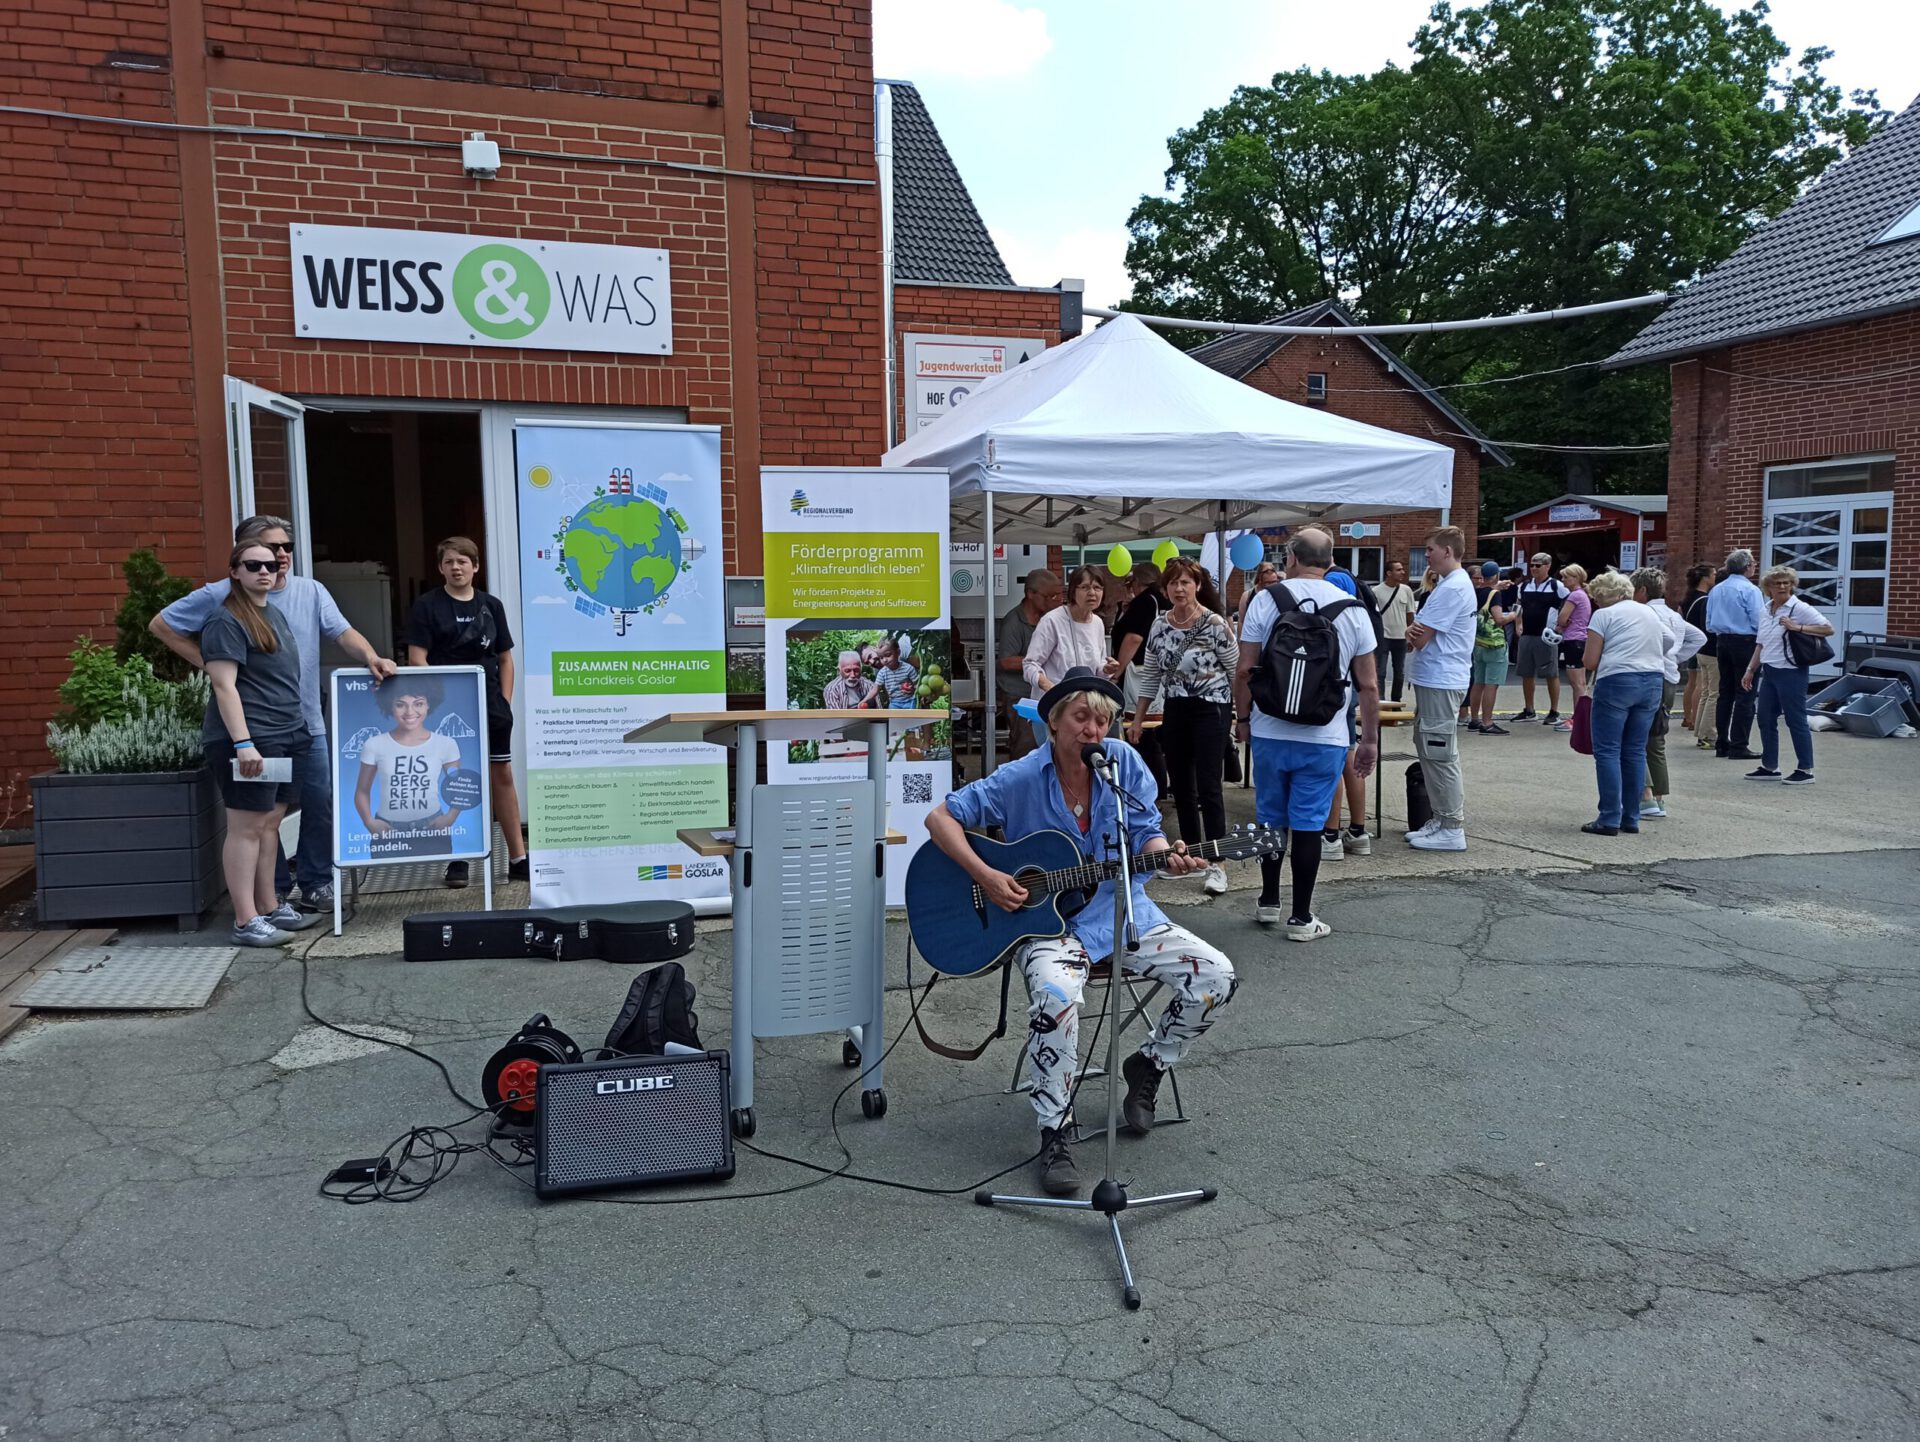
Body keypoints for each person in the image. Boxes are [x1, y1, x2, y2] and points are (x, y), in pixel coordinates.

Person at [925, 669, 1235, 1197]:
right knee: (1057, 994)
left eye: (1103, 719)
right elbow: (940, 819)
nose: (1094, 729)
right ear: (1054, 721)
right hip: (1047, 928)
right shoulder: (1021, 776)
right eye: (1081, 717)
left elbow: (1148, 835)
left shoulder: (1125, 764)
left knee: (1216, 975)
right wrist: (988, 876)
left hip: (1122, 913)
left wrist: (1169, 858)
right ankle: (1053, 1130)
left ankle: (1150, 1064)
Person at [152, 515, 396, 913]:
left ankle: (311, 884)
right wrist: (214, 664)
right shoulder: (225, 600)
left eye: (284, 550)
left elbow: (341, 632)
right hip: (254, 729)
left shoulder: (299, 596)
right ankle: (267, 901)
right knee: (256, 820)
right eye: (264, 555)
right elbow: (163, 625)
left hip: (301, 725)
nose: (276, 559)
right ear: (240, 562)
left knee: (310, 803)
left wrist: (371, 656)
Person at [1233, 526, 1380, 937]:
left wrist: (1243, 720)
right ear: (1330, 561)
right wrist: (1368, 739)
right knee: (1309, 825)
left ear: (1291, 558)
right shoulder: (1352, 608)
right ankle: (1301, 917)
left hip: (1269, 729)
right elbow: (1368, 684)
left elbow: (1245, 669)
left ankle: (1267, 901)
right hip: (1326, 734)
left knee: (1270, 819)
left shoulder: (1266, 600)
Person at [199, 542, 324, 946]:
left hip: (289, 733)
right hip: (254, 740)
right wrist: (244, 743)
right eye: (253, 565)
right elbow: (223, 684)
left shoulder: (274, 613)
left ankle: (269, 907)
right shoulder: (225, 619)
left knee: (270, 824)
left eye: (272, 565)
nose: (265, 571)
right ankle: (244, 920)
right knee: (247, 827)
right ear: (235, 571)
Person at [405, 536, 528, 889]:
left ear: (476, 566)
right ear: (440, 568)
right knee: (455, 780)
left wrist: (504, 702)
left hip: (490, 706)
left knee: (501, 775)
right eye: (449, 562)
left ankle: (518, 857)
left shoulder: (491, 605)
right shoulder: (427, 606)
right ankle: (458, 858)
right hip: (447, 708)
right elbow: (417, 658)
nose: (456, 567)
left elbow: (505, 659)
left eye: (463, 561)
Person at [1126, 558, 1236, 895]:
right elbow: (1151, 676)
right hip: (1175, 708)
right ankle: (1191, 856)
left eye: (1186, 582)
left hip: (1211, 708)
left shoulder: (1215, 623)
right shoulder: (1159, 625)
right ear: (1165, 589)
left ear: (1198, 585)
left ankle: (1217, 863)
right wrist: (1139, 719)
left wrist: (1240, 716)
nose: (1179, 589)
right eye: (1173, 583)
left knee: (1208, 786)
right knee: (1182, 787)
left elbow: (1234, 671)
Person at [1578, 570, 1674, 836]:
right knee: (1635, 750)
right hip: (1652, 680)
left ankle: (1609, 816)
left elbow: (1590, 661)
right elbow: (1670, 640)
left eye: (1596, 596)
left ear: (1605, 595)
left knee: (1607, 751)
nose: (1595, 601)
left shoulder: (1603, 615)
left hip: (1617, 680)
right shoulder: (1648, 612)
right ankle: (1631, 816)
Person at [1403, 526, 1475, 851]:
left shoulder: (1453, 588)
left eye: (1430, 549)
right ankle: (1442, 818)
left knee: (1440, 753)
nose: (1426, 554)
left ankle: (1451, 825)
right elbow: (1417, 632)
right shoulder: (1449, 585)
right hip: (1436, 678)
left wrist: (1413, 632)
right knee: (1432, 750)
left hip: (1441, 678)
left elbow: (1419, 636)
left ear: (1447, 551)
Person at [1741, 565, 1835, 785]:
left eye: (1787, 582)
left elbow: (1828, 628)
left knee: (1796, 720)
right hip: (1770, 671)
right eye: (1777, 583)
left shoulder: (1799, 607)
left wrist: (1798, 627)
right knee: (1765, 718)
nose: (1782, 586)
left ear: (1792, 585)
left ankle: (1805, 769)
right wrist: (1750, 670)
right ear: (1768, 587)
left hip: (1792, 672)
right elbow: (1761, 643)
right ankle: (1770, 766)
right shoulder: (1766, 609)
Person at [354, 674, 463, 855]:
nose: (410, 712)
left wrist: (450, 817)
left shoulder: (446, 744)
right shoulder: (374, 744)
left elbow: (459, 788)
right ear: (390, 705)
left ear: (429, 704)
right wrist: (369, 822)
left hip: (433, 828)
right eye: (400, 704)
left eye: (418, 703)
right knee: (389, 883)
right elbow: (361, 791)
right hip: (387, 831)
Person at [1632, 568, 1706, 819]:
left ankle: (1646, 796)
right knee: (1657, 738)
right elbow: (1698, 638)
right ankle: (1659, 798)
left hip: (1649, 676)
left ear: (1641, 591)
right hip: (1669, 678)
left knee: (1635, 737)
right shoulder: (1672, 614)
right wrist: (1675, 657)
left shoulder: (1644, 613)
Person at [1110, 563, 1170, 791]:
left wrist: (1118, 670)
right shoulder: (1163, 601)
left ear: (1137, 581)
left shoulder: (1145, 601)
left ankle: (1149, 787)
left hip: (1140, 672)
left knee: (1140, 732)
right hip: (1157, 674)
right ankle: (1159, 785)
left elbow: (1134, 638)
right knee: (1152, 733)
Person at [996, 569, 1062, 760]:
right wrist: (1038, 661)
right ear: (1030, 594)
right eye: (1049, 596)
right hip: (1020, 694)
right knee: (1026, 745)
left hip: (1043, 692)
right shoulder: (1014, 621)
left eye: (1057, 595)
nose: (1054, 600)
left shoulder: (1049, 619)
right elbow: (1006, 661)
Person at [1022, 565, 1110, 704]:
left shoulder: (1098, 623)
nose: (1092, 593)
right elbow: (1030, 665)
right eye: (1085, 587)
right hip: (1053, 707)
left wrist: (1106, 669)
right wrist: (1051, 689)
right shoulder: (1052, 621)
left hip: (1085, 705)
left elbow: (1097, 669)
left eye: (1097, 587)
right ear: (1073, 591)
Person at [1708, 549, 1765, 760]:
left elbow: (1709, 619)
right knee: (1745, 693)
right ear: (1747, 566)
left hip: (1722, 640)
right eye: (1753, 564)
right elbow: (1759, 621)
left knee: (1725, 692)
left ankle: (1722, 742)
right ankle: (1739, 744)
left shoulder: (1717, 589)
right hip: (1745, 642)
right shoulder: (1750, 590)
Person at [1509, 553, 1568, 724]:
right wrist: (1518, 624)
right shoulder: (1524, 586)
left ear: (1548, 566)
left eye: (1538, 565)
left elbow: (1570, 602)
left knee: (1551, 674)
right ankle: (1529, 710)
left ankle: (1554, 711)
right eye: (1532, 565)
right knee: (1526, 673)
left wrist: (1561, 624)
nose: (1534, 568)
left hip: (1547, 636)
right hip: (1527, 634)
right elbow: (1518, 605)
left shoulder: (1557, 585)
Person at [1467, 561, 1514, 735]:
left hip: (1478, 643)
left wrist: (1497, 587)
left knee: (1478, 683)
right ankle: (1487, 722)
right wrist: (1514, 615)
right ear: (1496, 575)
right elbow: (1499, 619)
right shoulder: (1495, 595)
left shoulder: (1476, 592)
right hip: (1494, 643)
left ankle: (1474, 719)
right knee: (1491, 684)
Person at [1552, 564, 1593, 731]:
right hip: (1581, 640)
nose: (1563, 580)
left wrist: (1561, 625)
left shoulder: (1574, 596)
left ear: (1575, 578)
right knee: (1581, 682)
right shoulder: (1583, 595)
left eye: (1566, 577)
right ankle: (1580, 717)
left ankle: (1578, 719)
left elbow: (1562, 618)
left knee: (1576, 683)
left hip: (1573, 640)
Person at [1682, 563, 1718, 746]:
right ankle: (1701, 726)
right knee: (1706, 688)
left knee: (1695, 684)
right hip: (1704, 645)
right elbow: (1707, 625)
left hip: (1692, 645)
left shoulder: (1689, 598)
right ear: (1705, 577)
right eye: (1713, 574)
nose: (1715, 577)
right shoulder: (1704, 600)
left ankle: (1690, 718)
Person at [1372, 560, 1416, 703]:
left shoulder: (1406, 590)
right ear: (1388, 573)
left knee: (1399, 673)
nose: (1402, 572)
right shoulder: (1376, 591)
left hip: (1401, 637)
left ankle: (1396, 703)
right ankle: (1381, 702)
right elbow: (1373, 616)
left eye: (1402, 569)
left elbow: (1410, 614)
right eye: (1398, 570)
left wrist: (1411, 636)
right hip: (1383, 637)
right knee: (1381, 672)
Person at [871, 636, 919, 708]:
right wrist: (864, 700)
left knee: (913, 717)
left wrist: (913, 688)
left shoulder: (908, 668)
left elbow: (917, 684)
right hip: (894, 703)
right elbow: (875, 689)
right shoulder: (882, 673)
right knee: (894, 718)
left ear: (898, 652)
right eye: (881, 657)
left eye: (887, 655)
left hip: (910, 701)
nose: (884, 660)